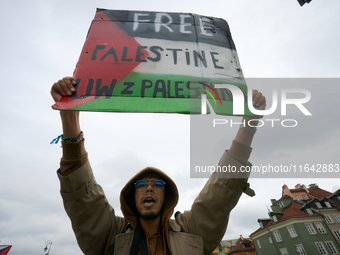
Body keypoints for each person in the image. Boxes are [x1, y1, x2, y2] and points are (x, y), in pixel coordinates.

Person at [51, 77, 266, 255]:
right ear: (131, 197)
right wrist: (69, 119)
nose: (149, 188)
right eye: (141, 184)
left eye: (158, 185)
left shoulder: (191, 231)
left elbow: (221, 191)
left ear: (167, 197)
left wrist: (248, 126)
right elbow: (83, 198)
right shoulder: (111, 237)